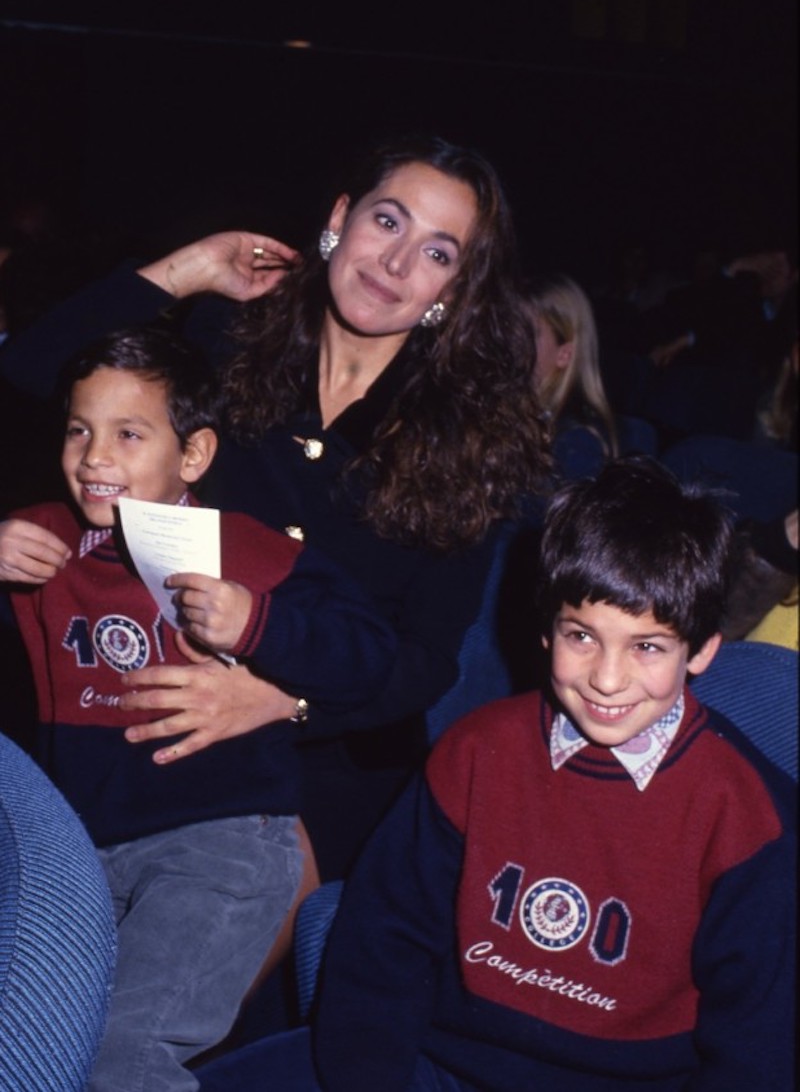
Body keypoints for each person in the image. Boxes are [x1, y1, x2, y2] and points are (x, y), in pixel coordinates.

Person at [0, 136, 551, 885]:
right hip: (139, 715)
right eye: (388, 222)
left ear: (452, 290)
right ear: (339, 220)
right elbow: (33, 370)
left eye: (438, 253)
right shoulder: (225, 341)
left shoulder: (470, 440)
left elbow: (424, 663)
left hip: (327, 761)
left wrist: (282, 701)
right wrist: (185, 272)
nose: (396, 263)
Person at [197, 456, 795, 1091]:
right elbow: (383, 947)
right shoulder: (476, 753)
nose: (608, 678)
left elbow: (756, 1052)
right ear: (546, 631)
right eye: (582, 636)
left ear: (701, 649)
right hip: (438, 1065)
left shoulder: (751, 817)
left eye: (647, 646)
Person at [0, 327, 399, 1091]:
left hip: (219, 844)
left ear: (193, 456)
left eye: (128, 434)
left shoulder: (245, 550)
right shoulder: (39, 540)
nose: (94, 458)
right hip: (78, 849)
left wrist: (258, 623)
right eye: (80, 429)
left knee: (123, 1056)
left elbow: (373, 657)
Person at [519, 273, 618, 478]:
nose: (509, 340)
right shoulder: (511, 409)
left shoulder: (578, 442)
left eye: (526, 332)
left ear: (564, 354)